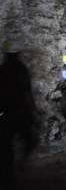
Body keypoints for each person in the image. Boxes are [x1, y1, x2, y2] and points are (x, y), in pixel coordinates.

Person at [0, 43, 37, 188]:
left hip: (5, 113)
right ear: (17, 54)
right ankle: (18, 166)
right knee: (29, 140)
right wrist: (33, 108)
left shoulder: (1, 70)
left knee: (6, 147)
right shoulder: (21, 69)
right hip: (19, 111)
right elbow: (27, 92)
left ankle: (8, 177)